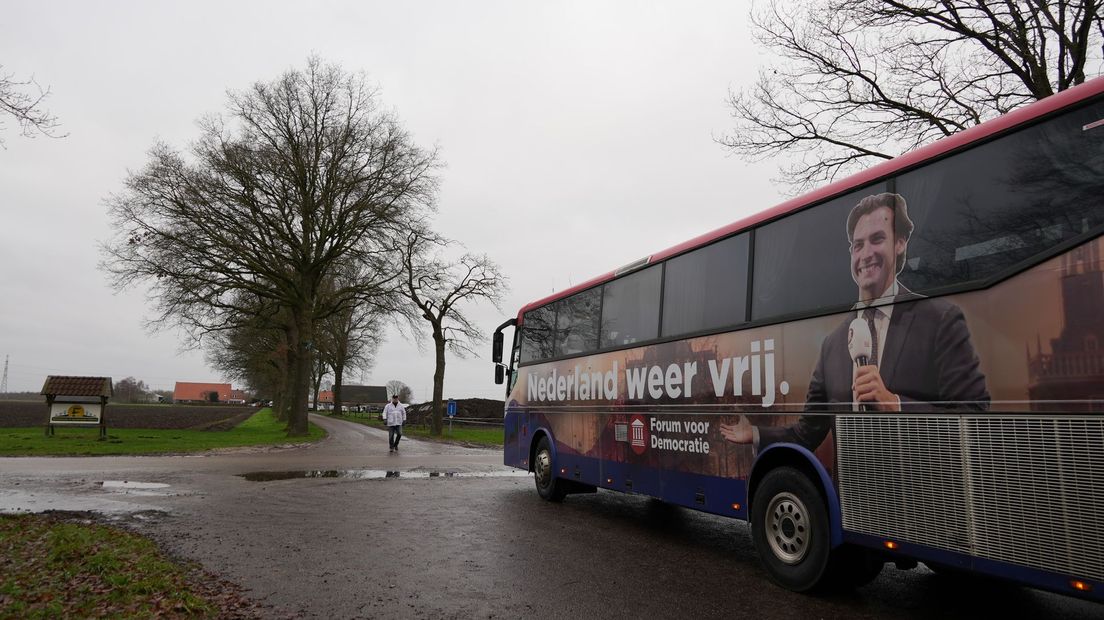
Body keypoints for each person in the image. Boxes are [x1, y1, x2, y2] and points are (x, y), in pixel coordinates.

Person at [720, 192, 990, 452]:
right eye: (858, 245)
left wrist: (895, 405)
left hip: (923, 493)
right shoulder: (833, 345)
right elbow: (807, 432)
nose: (866, 254)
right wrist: (754, 433)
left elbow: (976, 419)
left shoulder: (939, 319)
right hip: (852, 496)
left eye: (877, 239)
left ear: (900, 243)